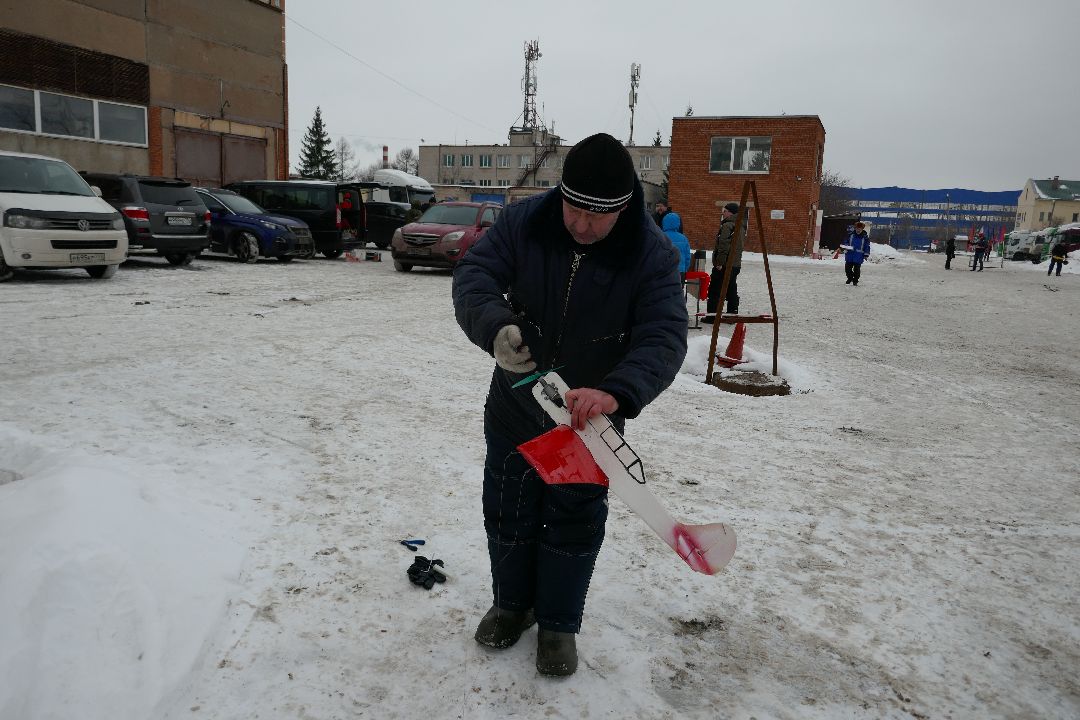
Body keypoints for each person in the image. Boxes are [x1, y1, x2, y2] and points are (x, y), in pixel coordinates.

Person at [451, 133, 688, 677]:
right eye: (573, 207)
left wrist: (618, 391)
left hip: (588, 419)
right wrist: (496, 329)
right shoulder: (527, 221)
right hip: (516, 398)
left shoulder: (649, 252)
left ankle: (558, 624)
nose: (580, 224)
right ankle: (513, 605)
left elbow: (664, 333)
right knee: (508, 505)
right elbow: (475, 275)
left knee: (573, 517)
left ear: (624, 207)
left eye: (596, 215)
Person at [704, 202, 743, 321]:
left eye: (725, 211)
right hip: (735, 264)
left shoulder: (727, 226)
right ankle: (732, 314)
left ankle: (712, 316)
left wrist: (719, 263)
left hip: (725, 264)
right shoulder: (740, 226)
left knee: (715, 289)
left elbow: (723, 245)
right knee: (731, 288)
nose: (723, 213)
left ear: (730, 212)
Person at [661, 211, 692, 279]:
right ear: (678, 223)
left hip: (664, 271)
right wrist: (684, 269)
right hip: (680, 271)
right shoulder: (684, 238)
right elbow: (687, 257)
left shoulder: (660, 236)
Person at [844, 221, 871, 285]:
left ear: (862, 229)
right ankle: (850, 278)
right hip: (850, 254)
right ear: (855, 228)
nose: (858, 230)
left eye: (860, 229)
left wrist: (866, 255)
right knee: (847, 269)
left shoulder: (865, 237)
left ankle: (855, 280)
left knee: (857, 270)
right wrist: (846, 246)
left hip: (859, 256)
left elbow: (867, 246)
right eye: (857, 228)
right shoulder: (851, 235)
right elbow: (845, 241)